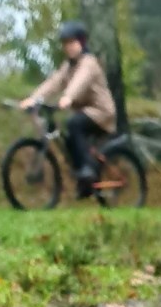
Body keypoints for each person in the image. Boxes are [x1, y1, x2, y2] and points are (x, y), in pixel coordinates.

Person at [21, 21, 117, 196]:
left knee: (74, 123)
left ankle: (87, 169)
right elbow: (53, 82)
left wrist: (68, 97)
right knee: (68, 135)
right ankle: (84, 179)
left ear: (82, 42)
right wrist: (34, 98)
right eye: (65, 43)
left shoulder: (89, 63)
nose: (68, 47)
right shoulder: (68, 66)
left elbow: (80, 81)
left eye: (72, 42)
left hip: (102, 112)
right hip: (86, 112)